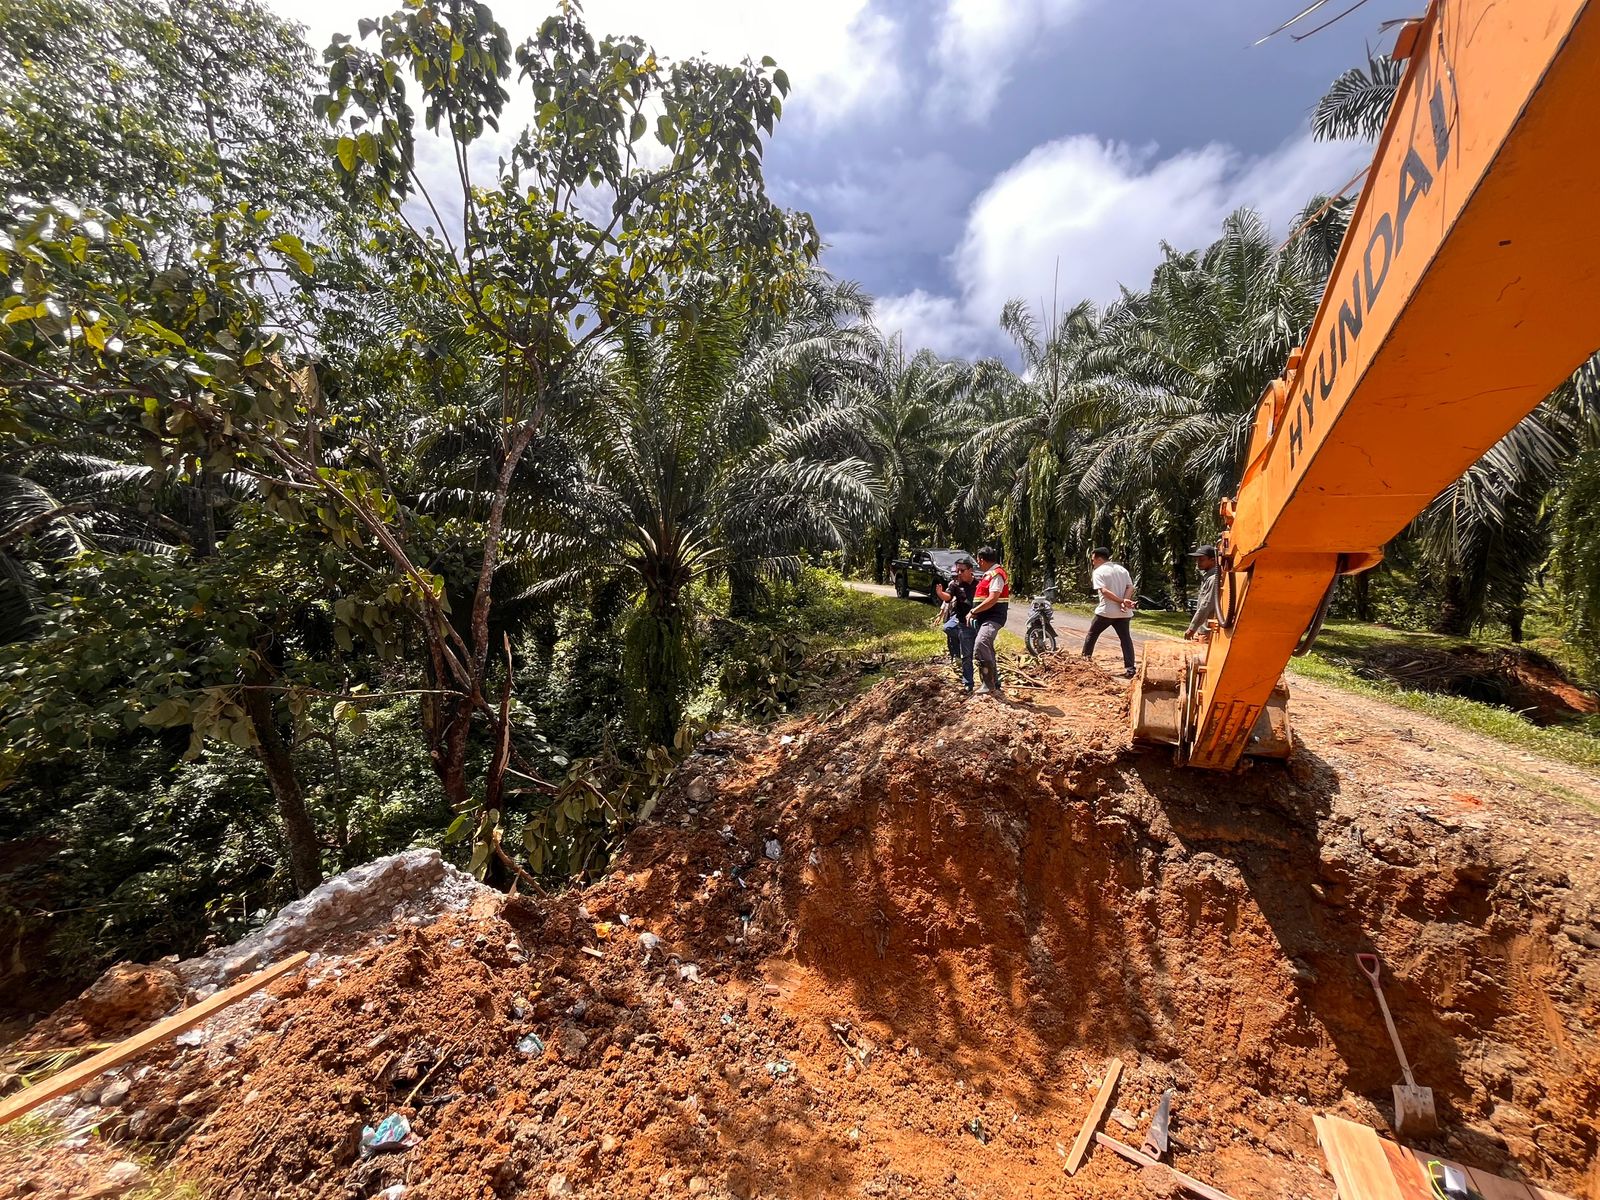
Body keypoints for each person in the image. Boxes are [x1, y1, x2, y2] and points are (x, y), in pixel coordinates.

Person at [1081, 547, 1136, 678]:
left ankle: (1084, 662)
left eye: (1093, 560)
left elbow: (1104, 591)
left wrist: (1121, 600)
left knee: (1092, 635)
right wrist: (1125, 601)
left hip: (1106, 612)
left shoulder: (1098, 572)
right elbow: (1130, 587)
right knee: (1125, 639)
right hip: (1123, 613)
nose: (1093, 563)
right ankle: (1130, 669)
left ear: (1099, 559)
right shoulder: (1122, 569)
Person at [967, 546, 1011, 697]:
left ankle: (988, 683)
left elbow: (993, 599)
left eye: (978, 560)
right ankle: (994, 684)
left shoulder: (996, 574)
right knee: (988, 649)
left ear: (981, 559)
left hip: (994, 617)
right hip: (985, 617)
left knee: (981, 643)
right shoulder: (988, 574)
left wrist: (974, 611)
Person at [935, 557, 979, 692]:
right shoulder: (955, 585)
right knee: (966, 656)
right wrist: (940, 594)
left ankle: (991, 682)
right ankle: (968, 683)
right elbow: (948, 597)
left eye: (962, 570)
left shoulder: (979, 584)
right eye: (957, 570)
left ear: (970, 570)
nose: (959, 573)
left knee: (984, 655)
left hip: (978, 623)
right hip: (963, 623)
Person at [1185, 545, 1220, 641]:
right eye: (1197, 560)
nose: (1198, 563)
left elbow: (1206, 605)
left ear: (1213, 560)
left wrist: (1192, 628)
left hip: (1207, 632)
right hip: (1202, 630)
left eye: (1201, 560)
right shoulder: (1207, 577)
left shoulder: (1214, 579)